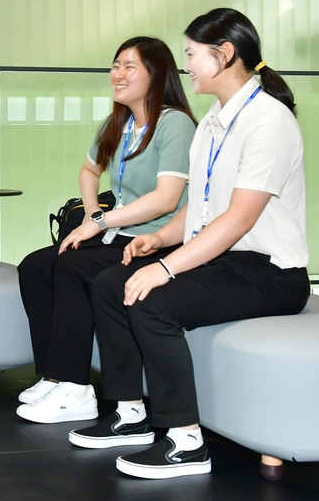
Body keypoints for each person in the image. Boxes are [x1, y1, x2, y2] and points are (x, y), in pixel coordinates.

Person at [72, 8, 310, 480]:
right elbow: (200, 209)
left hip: (271, 272)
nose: (187, 67)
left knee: (153, 303)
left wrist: (165, 268)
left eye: (192, 55)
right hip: (224, 260)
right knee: (108, 284)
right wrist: (158, 239)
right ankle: (129, 413)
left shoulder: (269, 120)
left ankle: (185, 441)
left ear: (225, 55)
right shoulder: (214, 122)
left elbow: (239, 218)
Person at [16, 37, 196, 424]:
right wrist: (92, 213)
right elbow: (88, 171)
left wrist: (100, 222)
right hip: (117, 235)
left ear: (157, 73)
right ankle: (54, 375)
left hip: (156, 243)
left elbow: (167, 199)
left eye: (129, 66)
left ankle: (78, 388)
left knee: (73, 267)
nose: (117, 73)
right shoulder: (120, 123)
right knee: (34, 266)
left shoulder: (174, 123)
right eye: (116, 64)